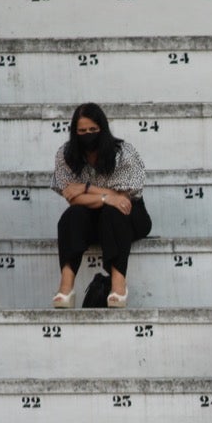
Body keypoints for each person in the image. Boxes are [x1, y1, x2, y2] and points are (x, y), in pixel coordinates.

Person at [50, 103, 151, 308]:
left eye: (92, 130)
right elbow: (72, 197)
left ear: (102, 129)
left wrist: (85, 187)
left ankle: (118, 285)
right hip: (92, 218)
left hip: (129, 215)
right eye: (82, 131)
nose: (87, 135)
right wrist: (105, 197)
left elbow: (123, 199)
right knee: (72, 216)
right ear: (74, 132)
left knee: (112, 213)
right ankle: (66, 287)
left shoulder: (123, 153)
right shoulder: (66, 154)